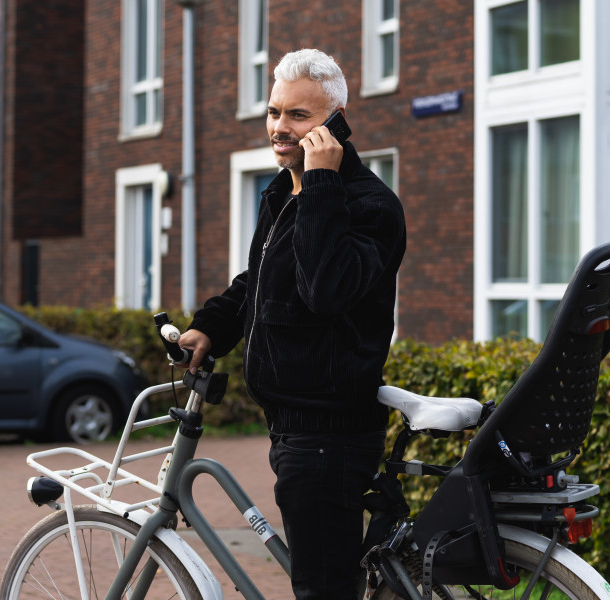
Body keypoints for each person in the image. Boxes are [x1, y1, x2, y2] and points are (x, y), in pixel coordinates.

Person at [177, 49, 406, 600]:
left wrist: (324, 186)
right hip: (295, 427)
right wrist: (212, 327)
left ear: (336, 122)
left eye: (299, 116)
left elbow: (324, 292)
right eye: (275, 111)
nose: (280, 127)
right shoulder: (286, 190)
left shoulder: (368, 205)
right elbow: (262, 279)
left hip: (330, 433)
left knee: (322, 590)